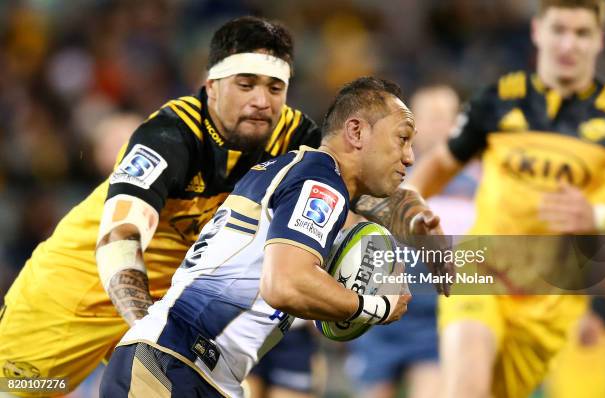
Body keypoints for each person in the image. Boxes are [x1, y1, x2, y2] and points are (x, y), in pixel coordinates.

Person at [0, 16, 445, 396]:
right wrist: (148, 331)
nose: (261, 100)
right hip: (77, 295)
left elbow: (359, 176)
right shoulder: (171, 135)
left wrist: (418, 223)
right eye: (245, 84)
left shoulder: (293, 137)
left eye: (275, 87)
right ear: (211, 85)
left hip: (176, 311)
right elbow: (120, 241)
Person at [99, 76, 414, 398]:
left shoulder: (300, 171)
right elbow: (285, 285)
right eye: (402, 138)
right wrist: (375, 307)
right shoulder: (320, 182)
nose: (409, 156)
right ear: (356, 131)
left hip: (200, 373)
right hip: (170, 365)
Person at [408, 1, 605, 397]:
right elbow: (436, 168)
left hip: (552, 301)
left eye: (582, 33)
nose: (568, 44)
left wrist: (596, 215)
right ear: (537, 31)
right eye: (559, 30)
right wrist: (401, 211)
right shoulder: (498, 101)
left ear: (599, 40)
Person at [345, 84, 467, 398]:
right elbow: (351, 228)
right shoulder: (382, 173)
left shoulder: (478, 181)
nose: (439, 126)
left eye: (446, 117)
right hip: (379, 309)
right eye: (430, 117)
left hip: (437, 316)